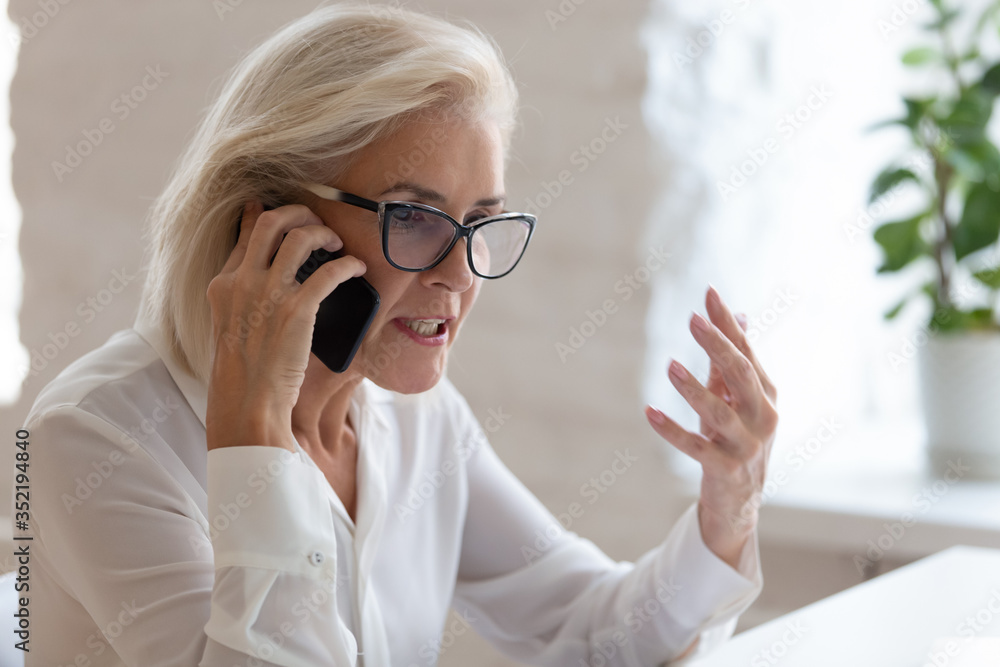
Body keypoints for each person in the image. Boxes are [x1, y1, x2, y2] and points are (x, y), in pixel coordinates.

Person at [23, 3, 779, 666]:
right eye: (412, 217)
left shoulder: (416, 420)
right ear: (271, 224)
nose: (460, 275)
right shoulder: (98, 436)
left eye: (481, 223)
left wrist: (729, 507)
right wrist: (253, 439)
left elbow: (592, 632)